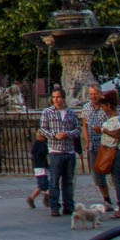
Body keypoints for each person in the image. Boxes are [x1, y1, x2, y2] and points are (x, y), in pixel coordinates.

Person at [38, 87, 81, 218]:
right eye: (54, 97)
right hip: (55, 150)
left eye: (58, 97)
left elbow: (78, 129)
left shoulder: (71, 113)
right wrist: (54, 135)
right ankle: (54, 206)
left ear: (63, 98)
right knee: (54, 181)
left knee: (68, 181)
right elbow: (43, 129)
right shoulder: (47, 112)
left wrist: (67, 134)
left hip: (69, 151)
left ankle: (68, 205)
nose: (56, 100)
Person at [96, 91, 120, 218]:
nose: (103, 109)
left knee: (118, 179)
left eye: (103, 106)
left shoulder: (116, 118)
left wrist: (102, 130)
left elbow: (116, 134)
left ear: (109, 105)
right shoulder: (119, 116)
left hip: (117, 150)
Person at [79, 83, 113, 209]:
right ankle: (107, 199)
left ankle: (118, 198)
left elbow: (113, 123)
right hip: (93, 145)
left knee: (112, 173)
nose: (93, 96)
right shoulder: (86, 107)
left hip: (106, 144)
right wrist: (86, 141)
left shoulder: (106, 107)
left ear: (100, 94)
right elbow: (84, 125)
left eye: (95, 94)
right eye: (91, 94)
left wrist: (103, 130)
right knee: (97, 175)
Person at [27, 133, 49, 208]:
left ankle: (32, 198)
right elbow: (45, 152)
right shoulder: (42, 144)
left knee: (42, 185)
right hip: (41, 166)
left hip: (37, 166)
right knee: (44, 185)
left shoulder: (36, 144)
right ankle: (46, 198)